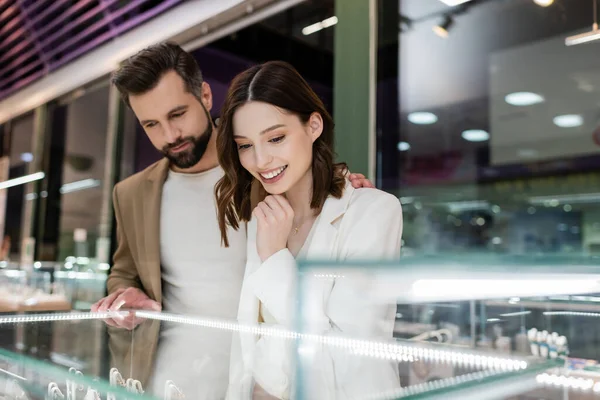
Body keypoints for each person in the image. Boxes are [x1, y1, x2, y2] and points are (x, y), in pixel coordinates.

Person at [89, 42, 373, 398]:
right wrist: (122, 295)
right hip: (167, 379)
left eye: (177, 114)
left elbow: (310, 184)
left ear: (206, 95)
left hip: (259, 379)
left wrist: (341, 186)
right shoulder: (131, 193)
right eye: (151, 124)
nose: (169, 135)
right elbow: (124, 271)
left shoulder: (263, 169)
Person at [215, 61, 403, 399]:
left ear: (313, 125)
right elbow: (250, 342)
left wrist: (275, 258)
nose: (261, 160)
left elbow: (346, 356)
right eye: (245, 145)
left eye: (275, 138)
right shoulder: (262, 217)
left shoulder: (373, 212)